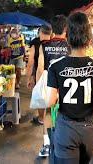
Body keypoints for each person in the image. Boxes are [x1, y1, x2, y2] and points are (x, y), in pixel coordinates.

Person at [46, 12, 93, 163]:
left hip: (66, 127)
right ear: (89, 40)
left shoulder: (55, 66)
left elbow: (49, 102)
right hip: (90, 127)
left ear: (67, 39)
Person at [36, 15, 70, 157]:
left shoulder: (44, 45)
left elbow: (40, 68)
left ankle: (46, 145)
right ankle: (65, 144)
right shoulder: (70, 46)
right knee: (65, 114)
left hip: (49, 84)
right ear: (66, 29)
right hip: (66, 85)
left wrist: (38, 86)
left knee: (48, 114)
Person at [27, 25, 52, 125]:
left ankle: (41, 118)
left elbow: (30, 62)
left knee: (41, 96)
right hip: (54, 74)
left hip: (40, 74)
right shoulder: (56, 43)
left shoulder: (35, 43)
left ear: (40, 32)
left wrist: (29, 78)